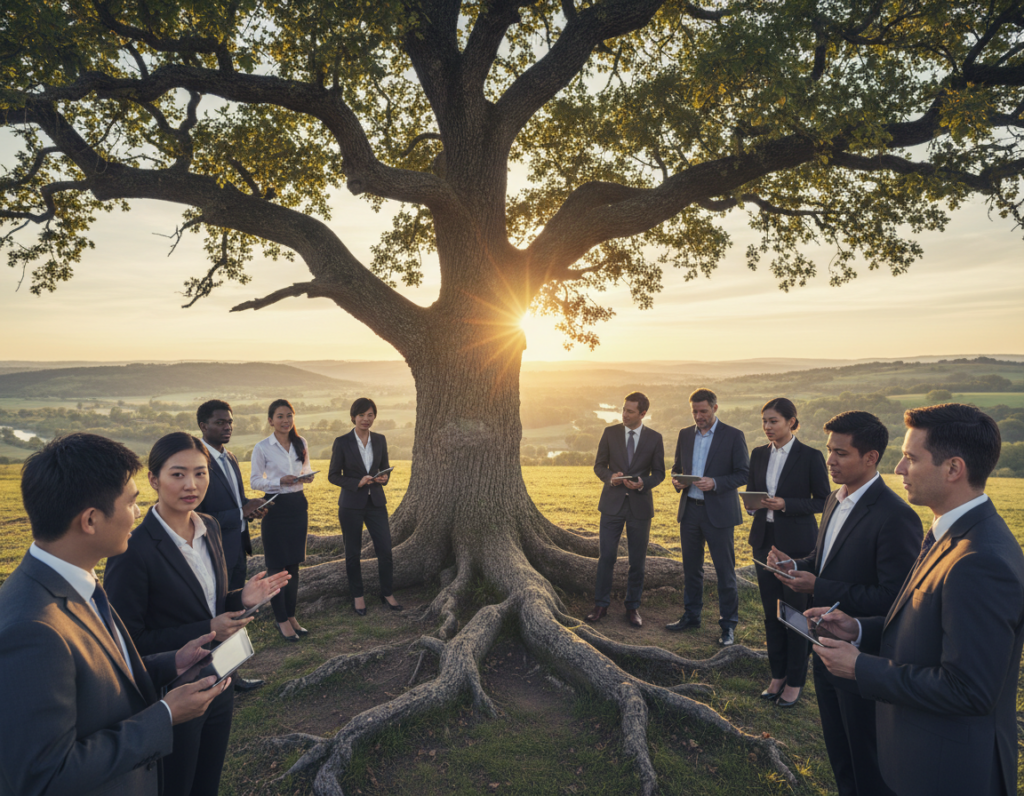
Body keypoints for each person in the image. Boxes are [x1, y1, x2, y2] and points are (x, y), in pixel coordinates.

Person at [810, 404, 1024, 796]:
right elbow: (927, 629)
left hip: (948, 772)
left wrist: (860, 667)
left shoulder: (981, 559)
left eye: (911, 458)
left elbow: (968, 689)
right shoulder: (949, 533)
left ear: (953, 468)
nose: (899, 470)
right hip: (919, 759)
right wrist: (857, 628)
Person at [0, 433, 228, 796]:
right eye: (132, 502)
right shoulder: (31, 629)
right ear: (90, 520)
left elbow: (100, 678)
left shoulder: (79, 579)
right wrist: (165, 716)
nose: (138, 512)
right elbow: (45, 776)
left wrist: (171, 662)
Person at [104, 433, 289, 796]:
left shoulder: (211, 527)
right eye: (178, 475)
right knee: (177, 784)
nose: (191, 485)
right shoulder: (132, 550)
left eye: (200, 473)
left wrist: (241, 598)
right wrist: (208, 627)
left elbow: (212, 603)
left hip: (221, 678)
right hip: (173, 695)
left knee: (208, 781)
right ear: (154, 480)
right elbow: (128, 642)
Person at [768, 411, 920, 795]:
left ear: (871, 458)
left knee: (866, 760)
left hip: (863, 659)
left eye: (841, 453)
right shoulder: (835, 500)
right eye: (829, 450)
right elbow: (823, 557)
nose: (830, 460)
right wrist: (795, 565)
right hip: (824, 649)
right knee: (839, 755)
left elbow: (893, 598)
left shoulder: (896, 516)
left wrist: (818, 583)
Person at [745, 397, 829, 708]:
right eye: (764, 421)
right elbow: (754, 495)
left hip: (797, 546)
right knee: (771, 614)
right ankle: (777, 675)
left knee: (795, 615)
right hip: (763, 542)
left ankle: (795, 681)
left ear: (791, 422)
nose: (767, 427)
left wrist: (786, 504)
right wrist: (753, 505)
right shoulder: (757, 454)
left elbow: (822, 501)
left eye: (774, 421)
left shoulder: (810, 456)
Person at [666, 388, 749, 646]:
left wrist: (715, 482)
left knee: (725, 572)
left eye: (703, 411)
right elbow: (677, 468)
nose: (698, 416)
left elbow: (743, 474)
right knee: (691, 569)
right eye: (694, 411)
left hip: (719, 513)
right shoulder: (683, 434)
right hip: (690, 510)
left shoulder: (734, 436)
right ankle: (691, 616)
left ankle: (728, 626)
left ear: (715, 408)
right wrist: (678, 481)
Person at [196, 399, 269, 691]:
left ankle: (232, 675)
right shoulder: (198, 463)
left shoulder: (232, 458)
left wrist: (251, 510)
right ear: (203, 426)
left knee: (237, 615)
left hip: (238, 546)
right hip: (213, 551)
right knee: (216, 616)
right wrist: (240, 511)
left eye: (229, 422)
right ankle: (210, 678)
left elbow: (237, 503)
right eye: (220, 422)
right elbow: (198, 514)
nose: (227, 427)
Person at [586, 391, 665, 628]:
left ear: (643, 413)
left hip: (640, 507)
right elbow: (599, 466)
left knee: (637, 561)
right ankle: (600, 605)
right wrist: (611, 477)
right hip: (611, 505)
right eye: (623, 409)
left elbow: (660, 473)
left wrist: (644, 483)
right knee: (606, 557)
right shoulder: (610, 433)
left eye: (630, 411)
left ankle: (632, 608)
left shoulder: (655, 438)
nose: (624, 415)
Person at [327, 397, 401, 615]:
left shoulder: (380, 439)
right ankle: (357, 596)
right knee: (353, 553)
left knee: (385, 550)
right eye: (361, 415)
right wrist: (356, 482)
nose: (366, 419)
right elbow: (333, 475)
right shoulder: (342, 442)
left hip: (376, 502)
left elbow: (385, 467)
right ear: (353, 417)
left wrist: (384, 478)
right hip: (351, 504)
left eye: (370, 415)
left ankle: (387, 592)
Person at [251, 398, 316, 641]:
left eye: (289, 415)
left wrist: (305, 477)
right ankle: (281, 620)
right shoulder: (262, 447)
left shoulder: (301, 442)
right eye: (280, 416)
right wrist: (280, 481)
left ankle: (291, 616)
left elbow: (305, 469)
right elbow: (255, 481)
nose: (285, 420)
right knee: (277, 567)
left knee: (295, 566)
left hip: (298, 505)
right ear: (270, 421)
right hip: (275, 508)